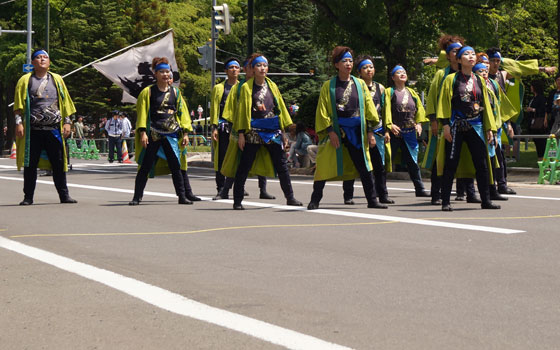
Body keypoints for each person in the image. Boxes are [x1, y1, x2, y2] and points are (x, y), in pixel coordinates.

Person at [307, 46, 387, 210]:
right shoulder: (328, 86)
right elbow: (322, 111)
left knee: (365, 166)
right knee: (323, 165)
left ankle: (372, 200)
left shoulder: (360, 84)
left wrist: (371, 131)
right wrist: (330, 131)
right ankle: (315, 200)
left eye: (350, 60)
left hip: (357, 132)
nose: (348, 64)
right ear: (337, 64)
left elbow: (369, 108)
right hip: (336, 130)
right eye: (345, 61)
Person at [231, 54, 303, 210]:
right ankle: (237, 200)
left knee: (282, 165)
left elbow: (279, 109)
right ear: (252, 69)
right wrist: (242, 133)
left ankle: (290, 197)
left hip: (273, 130)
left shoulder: (272, 86)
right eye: (259, 65)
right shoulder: (246, 87)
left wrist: (283, 133)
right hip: (254, 130)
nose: (262, 68)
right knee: (244, 165)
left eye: (265, 65)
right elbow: (243, 111)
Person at [437, 46, 499, 211]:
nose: (470, 56)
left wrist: (489, 129)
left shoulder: (479, 80)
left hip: (477, 126)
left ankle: (486, 200)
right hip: (457, 125)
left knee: (482, 164)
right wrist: (445, 125)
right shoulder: (451, 79)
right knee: (451, 163)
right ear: (458, 59)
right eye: (466, 54)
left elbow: (485, 104)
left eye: (472, 54)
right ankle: (445, 201)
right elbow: (444, 102)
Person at [13, 48, 77, 205]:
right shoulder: (26, 80)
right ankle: (28, 197)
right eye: (38, 57)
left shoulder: (57, 79)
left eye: (45, 57)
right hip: (33, 131)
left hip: (54, 129)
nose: (42, 59)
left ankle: (64, 195)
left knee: (59, 163)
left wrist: (68, 122)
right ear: (33, 62)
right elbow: (18, 105)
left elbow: (66, 103)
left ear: (49, 62)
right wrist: (18, 122)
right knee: (30, 165)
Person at [129, 57, 193, 205]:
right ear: (155, 74)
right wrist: (143, 132)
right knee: (145, 166)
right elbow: (142, 113)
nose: (165, 74)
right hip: (154, 133)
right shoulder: (148, 92)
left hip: (171, 133)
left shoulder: (176, 93)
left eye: (167, 71)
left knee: (176, 166)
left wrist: (185, 133)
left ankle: (182, 196)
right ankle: (137, 197)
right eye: (162, 72)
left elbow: (182, 114)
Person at [216, 55, 276, 200]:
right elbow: (230, 110)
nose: (255, 69)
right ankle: (225, 190)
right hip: (241, 129)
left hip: (261, 128)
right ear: (247, 69)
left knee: (262, 158)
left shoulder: (266, 85)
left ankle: (263, 189)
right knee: (237, 161)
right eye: (251, 67)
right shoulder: (239, 87)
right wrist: (237, 129)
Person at [342, 55, 393, 205]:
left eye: (371, 67)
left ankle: (382, 195)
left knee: (379, 165)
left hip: (377, 130)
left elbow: (385, 110)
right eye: (365, 67)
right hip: (358, 130)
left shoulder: (380, 88)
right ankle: (348, 195)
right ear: (359, 71)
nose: (369, 70)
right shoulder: (354, 86)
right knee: (353, 164)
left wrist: (387, 130)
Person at [423, 34, 466, 205]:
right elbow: (433, 98)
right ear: (448, 55)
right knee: (441, 159)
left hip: (465, 122)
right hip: (445, 123)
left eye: (460, 50)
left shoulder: (468, 74)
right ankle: (436, 193)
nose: (458, 53)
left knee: (464, 156)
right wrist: (434, 121)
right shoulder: (441, 74)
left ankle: (466, 192)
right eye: (454, 51)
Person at [385, 65, 430, 197]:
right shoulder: (389, 92)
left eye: (404, 72)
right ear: (393, 77)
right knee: (387, 160)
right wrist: (389, 125)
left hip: (409, 131)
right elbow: (385, 109)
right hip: (395, 131)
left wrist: (419, 123)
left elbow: (419, 109)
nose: (402, 74)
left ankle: (420, 188)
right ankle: (380, 188)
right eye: (398, 73)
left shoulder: (412, 92)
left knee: (413, 161)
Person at [210, 57, 241, 193]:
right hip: (224, 127)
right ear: (225, 71)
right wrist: (214, 127)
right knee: (222, 158)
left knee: (239, 159)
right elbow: (215, 109)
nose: (234, 70)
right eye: (231, 67)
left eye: (236, 67)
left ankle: (238, 186)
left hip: (239, 128)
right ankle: (220, 187)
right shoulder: (219, 88)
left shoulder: (243, 86)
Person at [525, 80, 548, 160]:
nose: (530, 87)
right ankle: (540, 159)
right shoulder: (533, 98)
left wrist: (532, 109)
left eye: (532, 86)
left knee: (541, 143)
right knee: (537, 143)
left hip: (539, 124)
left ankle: (542, 159)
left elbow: (543, 110)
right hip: (533, 123)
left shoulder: (541, 98)